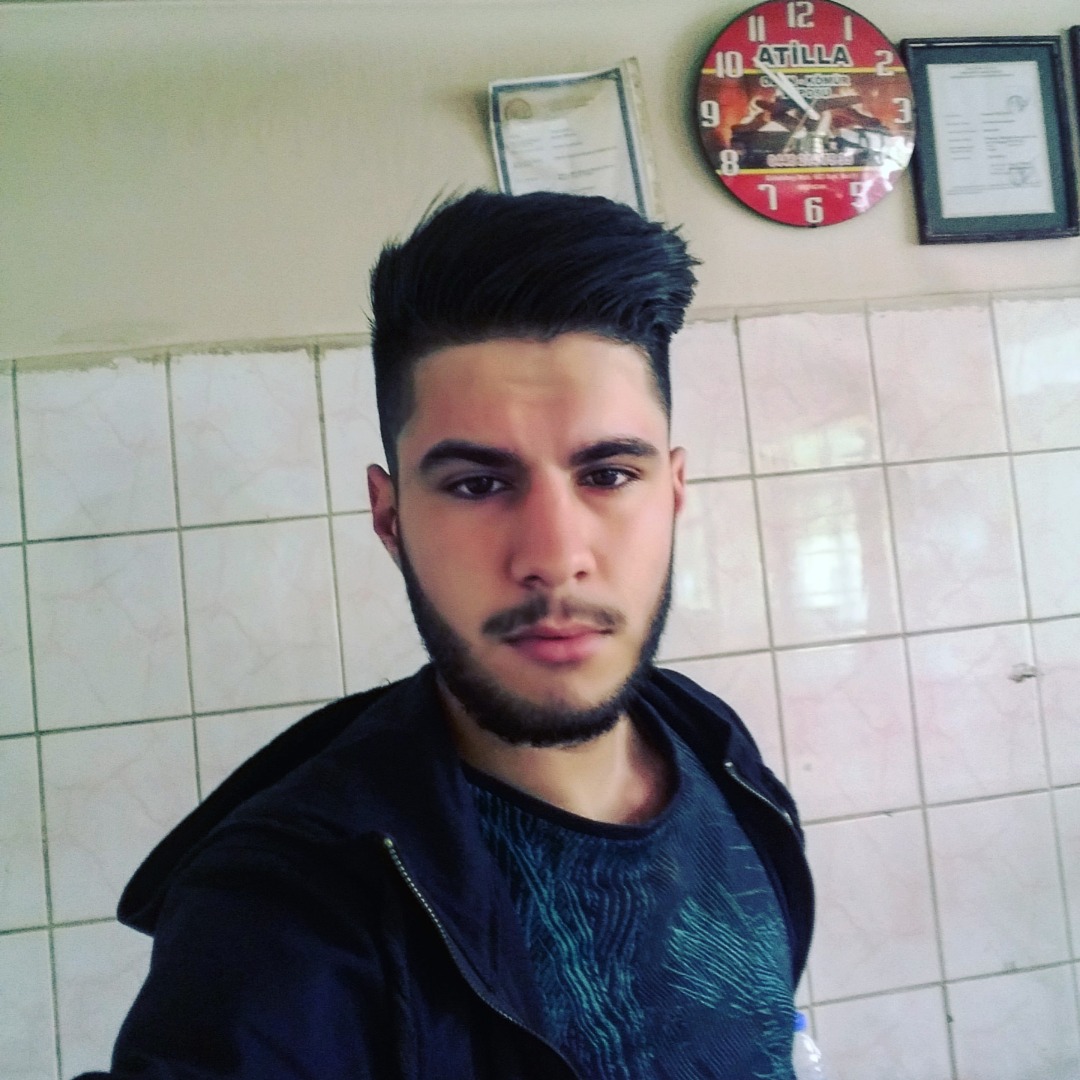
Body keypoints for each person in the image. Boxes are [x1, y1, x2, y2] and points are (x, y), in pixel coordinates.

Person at [78, 190, 813, 1080]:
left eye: (610, 474)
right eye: (476, 485)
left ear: (674, 493)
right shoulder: (287, 907)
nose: (554, 558)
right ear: (390, 519)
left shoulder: (715, 749)